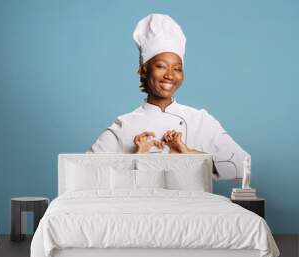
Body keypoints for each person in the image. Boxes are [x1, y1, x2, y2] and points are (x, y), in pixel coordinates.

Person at [89, 14, 249, 180]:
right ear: (144, 70)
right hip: (139, 206)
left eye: (177, 69)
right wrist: (136, 159)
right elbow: (86, 174)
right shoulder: (124, 126)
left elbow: (242, 166)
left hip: (192, 206)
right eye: (161, 66)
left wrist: (190, 155)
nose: (170, 75)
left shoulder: (200, 121)